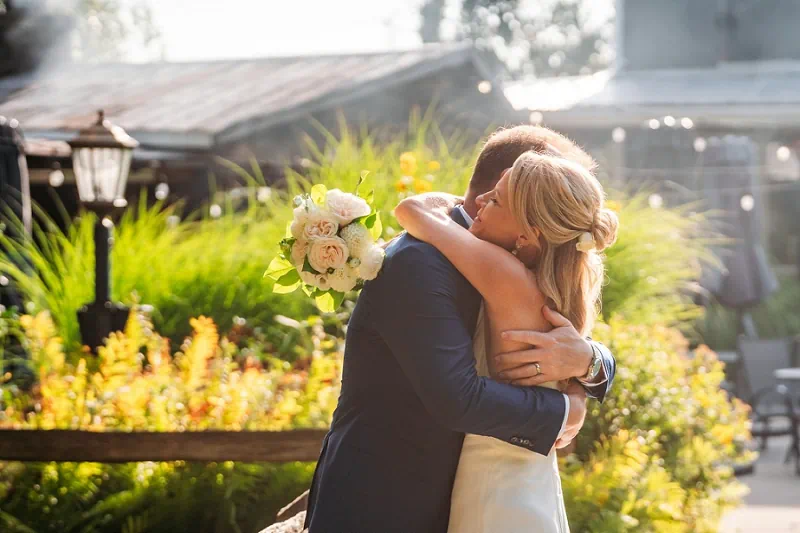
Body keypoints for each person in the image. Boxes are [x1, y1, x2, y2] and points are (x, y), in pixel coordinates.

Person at [303, 126, 616, 533]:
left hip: (468, 494)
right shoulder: (420, 261)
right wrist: (565, 411)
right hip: (385, 502)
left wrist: (592, 361)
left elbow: (565, 333)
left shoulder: (524, 262)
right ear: (511, 183)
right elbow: (457, 396)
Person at [395, 144, 618, 532]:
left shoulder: (503, 273)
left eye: (495, 200)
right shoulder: (562, 285)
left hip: (492, 484)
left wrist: (454, 203)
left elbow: (409, 211)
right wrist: (577, 394)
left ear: (526, 235)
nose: (478, 201)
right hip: (530, 480)